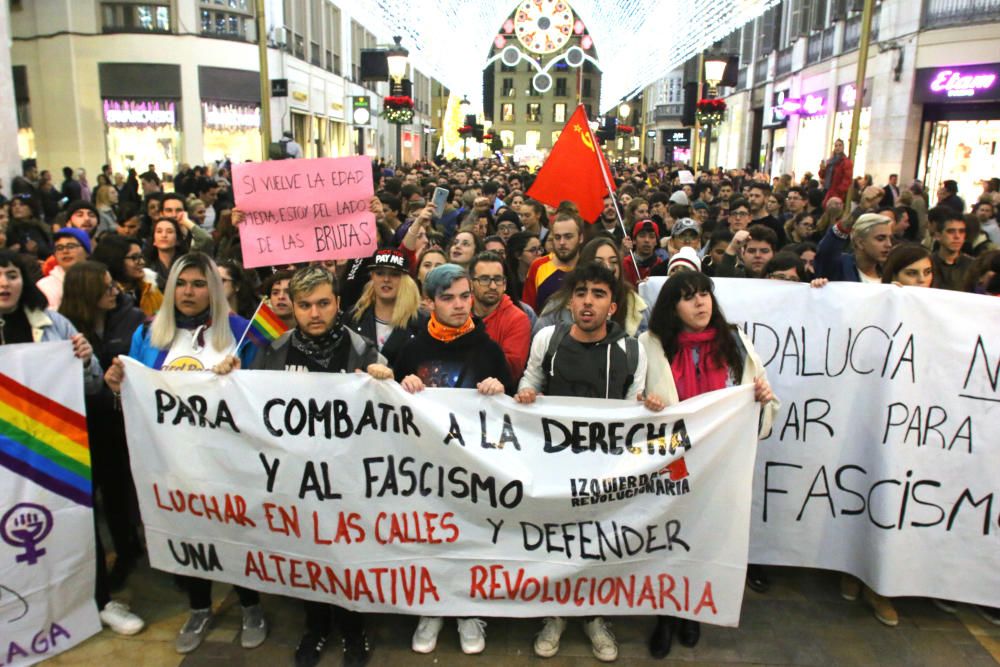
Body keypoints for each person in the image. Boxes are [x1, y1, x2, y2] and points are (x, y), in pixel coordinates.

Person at [104, 252, 265, 655]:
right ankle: (198, 606)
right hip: (171, 461)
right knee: (188, 533)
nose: (189, 292)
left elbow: (264, 398)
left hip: (228, 461)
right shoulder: (149, 334)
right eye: (181, 283)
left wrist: (242, 376)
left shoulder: (243, 332)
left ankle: (251, 604)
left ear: (212, 289)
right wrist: (115, 382)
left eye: (198, 284)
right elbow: (136, 394)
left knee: (235, 530)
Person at [247, 265, 389, 667]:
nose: (314, 313)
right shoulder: (273, 351)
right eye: (305, 305)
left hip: (348, 481)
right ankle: (315, 626)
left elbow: (388, 420)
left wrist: (386, 381)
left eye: (323, 303)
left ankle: (353, 630)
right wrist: (227, 380)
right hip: (296, 480)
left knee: (347, 557)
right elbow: (250, 407)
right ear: (291, 306)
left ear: (338, 304)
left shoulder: (364, 351)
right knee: (306, 556)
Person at [639, 270, 777, 658]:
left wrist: (762, 397)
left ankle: (691, 611)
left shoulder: (736, 341)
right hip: (673, 463)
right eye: (688, 297)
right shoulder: (651, 344)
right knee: (667, 535)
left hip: (719, 463)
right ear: (671, 306)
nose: (700, 303)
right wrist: (645, 404)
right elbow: (634, 399)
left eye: (704, 294)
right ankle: (665, 612)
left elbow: (766, 402)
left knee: (707, 535)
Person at [517, 262, 648, 663]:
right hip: (553, 466)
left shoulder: (631, 350)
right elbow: (530, 381)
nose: (588, 302)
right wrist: (525, 394)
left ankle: (592, 615)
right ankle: (556, 613)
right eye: (581, 293)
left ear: (612, 306)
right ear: (570, 300)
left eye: (598, 294)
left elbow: (633, 411)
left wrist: (649, 408)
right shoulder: (547, 339)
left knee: (596, 544)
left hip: (603, 470)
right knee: (558, 539)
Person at [0, 251, 137, 635]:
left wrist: (87, 359)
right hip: (5, 456)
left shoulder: (53, 323)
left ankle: (97, 600)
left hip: (53, 451)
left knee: (74, 519)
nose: (4, 283)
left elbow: (91, 385)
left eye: (11, 275)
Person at [395, 263, 512, 656]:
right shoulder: (410, 350)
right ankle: (431, 608)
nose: (460, 305)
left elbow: (512, 417)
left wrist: (501, 390)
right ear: (429, 303)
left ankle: (467, 610)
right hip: (423, 471)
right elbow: (386, 407)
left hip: (473, 471)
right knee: (428, 540)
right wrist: (400, 385)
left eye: (465, 296)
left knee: (469, 539)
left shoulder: (489, 349)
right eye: (448, 298)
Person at [59, 261, 147, 601]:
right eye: (107, 287)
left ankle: (128, 550)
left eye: (114, 285)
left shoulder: (129, 317)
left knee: (119, 491)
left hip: (119, 421)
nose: (115, 292)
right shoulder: (64, 329)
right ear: (87, 294)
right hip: (80, 425)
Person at [536, 237, 650, 337]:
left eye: (614, 261)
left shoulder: (636, 305)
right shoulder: (556, 307)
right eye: (599, 262)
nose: (608, 267)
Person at [348, 248, 422, 366]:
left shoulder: (420, 321)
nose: (386, 279)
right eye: (380, 273)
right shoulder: (353, 316)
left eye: (394, 274)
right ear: (372, 276)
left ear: (405, 280)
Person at [469, 251, 531, 382]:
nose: (492, 286)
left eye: (497, 279)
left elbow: (512, 370)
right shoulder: (459, 312)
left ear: (504, 284)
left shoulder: (518, 319)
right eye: (484, 279)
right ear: (470, 284)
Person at [522, 211, 583, 313]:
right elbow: (529, 312)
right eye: (557, 237)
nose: (562, 243)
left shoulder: (588, 266)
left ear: (580, 238)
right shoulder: (538, 266)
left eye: (568, 237)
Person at [92, 234, 163, 317]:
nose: (142, 262)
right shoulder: (105, 296)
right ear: (116, 259)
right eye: (135, 258)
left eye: (141, 256)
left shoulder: (150, 287)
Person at [815, 213, 893, 283]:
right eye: (880, 239)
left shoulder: (890, 274)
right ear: (860, 243)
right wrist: (842, 228)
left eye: (890, 239)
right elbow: (826, 253)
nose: (889, 244)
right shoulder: (841, 267)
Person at [37, 227, 91, 308]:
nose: (65, 251)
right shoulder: (44, 286)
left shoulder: (100, 279)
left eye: (71, 246)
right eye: (59, 248)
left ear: (87, 252)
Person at [927, 206, 974, 291]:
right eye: (951, 231)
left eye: (961, 231)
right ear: (938, 236)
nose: (957, 236)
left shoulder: (973, 266)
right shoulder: (927, 264)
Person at [623, 219, 665, 285]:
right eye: (642, 236)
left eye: (652, 237)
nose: (647, 240)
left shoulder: (661, 266)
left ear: (656, 242)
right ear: (634, 240)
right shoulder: (625, 264)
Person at [505, 231, 542, 301]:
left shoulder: (545, 275)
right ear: (518, 255)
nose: (539, 253)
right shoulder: (508, 282)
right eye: (533, 250)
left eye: (540, 249)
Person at [819, 139, 853, 207]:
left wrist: (839, 191)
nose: (838, 147)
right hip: (827, 188)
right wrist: (822, 169)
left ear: (843, 147)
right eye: (836, 146)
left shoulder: (846, 162)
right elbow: (822, 175)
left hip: (836, 192)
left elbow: (847, 179)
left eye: (840, 145)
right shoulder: (830, 161)